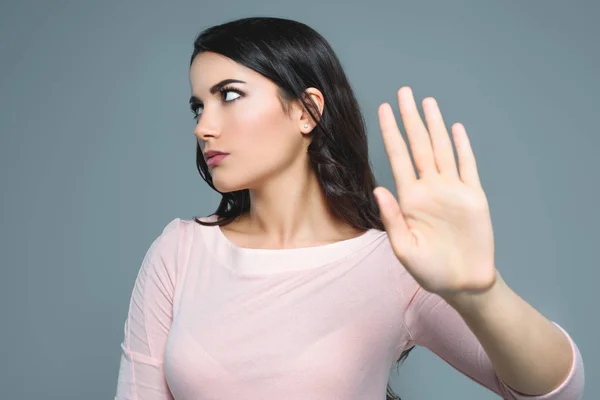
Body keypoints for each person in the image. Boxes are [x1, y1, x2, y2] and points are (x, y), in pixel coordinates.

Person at [114, 16, 585, 400]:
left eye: (229, 95)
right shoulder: (179, 251)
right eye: (198, 107)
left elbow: (554, 393)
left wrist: (482, 292)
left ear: (306, 111)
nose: (203, 127)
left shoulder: (395, 261)